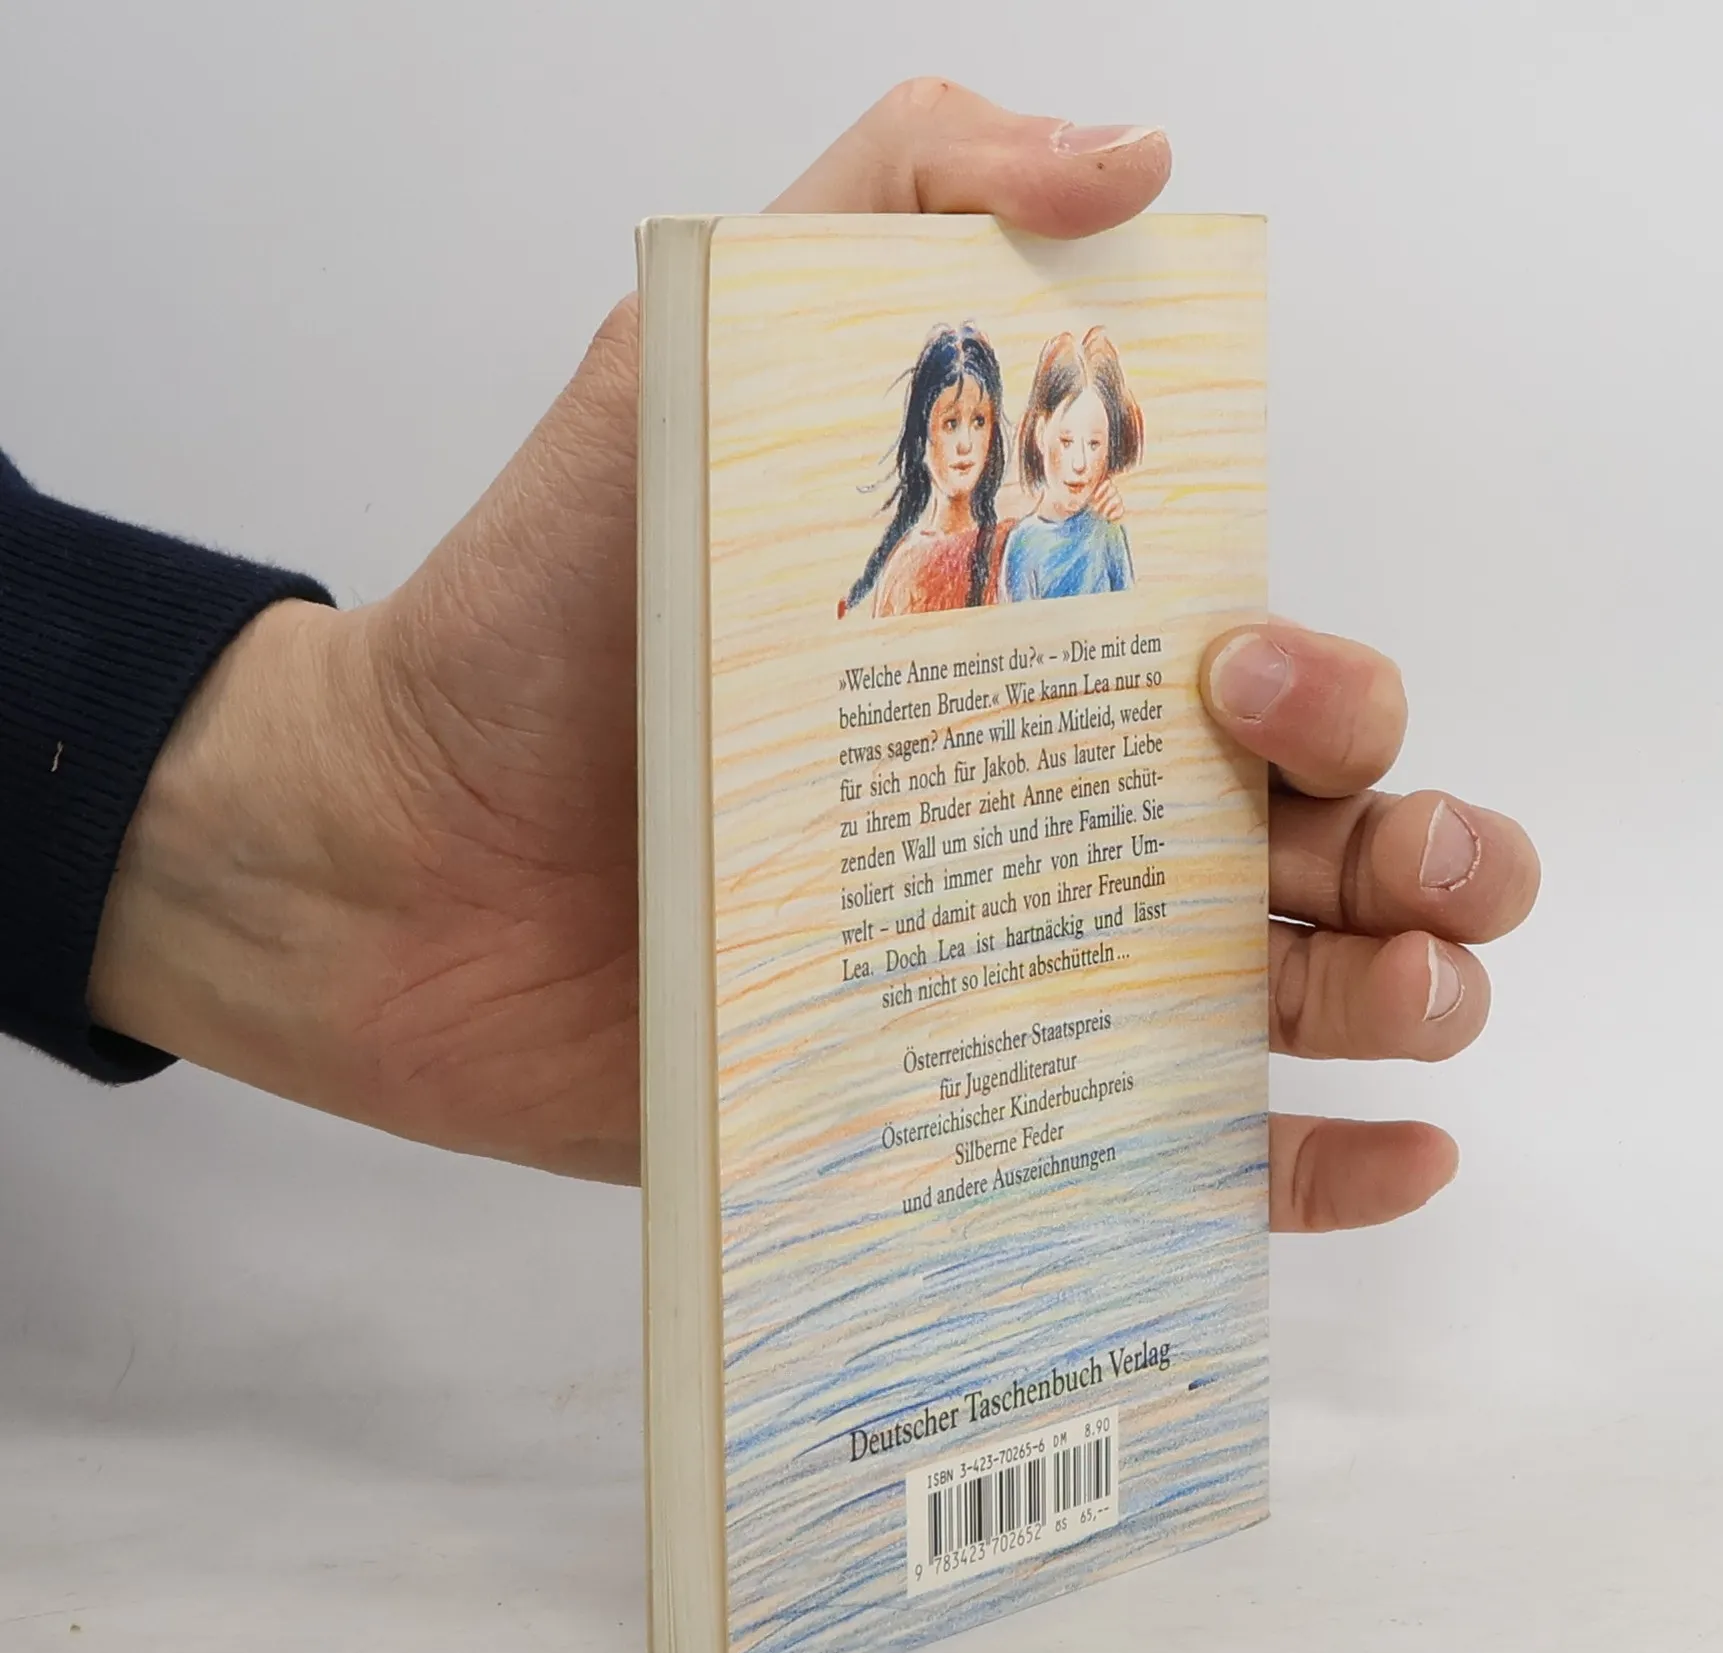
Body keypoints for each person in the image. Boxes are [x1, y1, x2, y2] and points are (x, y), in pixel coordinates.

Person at [0, 79, 1540, 1231]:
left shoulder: (1049, 549)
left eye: (996, 427)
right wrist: (373, 809)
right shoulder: (911, 559)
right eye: (966, 426)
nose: (988, 448)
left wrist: (356, 825)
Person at [843, 323, 1011, 619]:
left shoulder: (1012, 543)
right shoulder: (905, 569)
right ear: (922, 436)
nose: (966, 443)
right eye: (951, 423)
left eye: (979, 421)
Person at [1002, 326, 1141, 601]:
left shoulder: (1109, 533)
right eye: (1066, 442)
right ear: (1041, 433)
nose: (1080, 463)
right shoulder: (1023, 545)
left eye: (1094, 444)